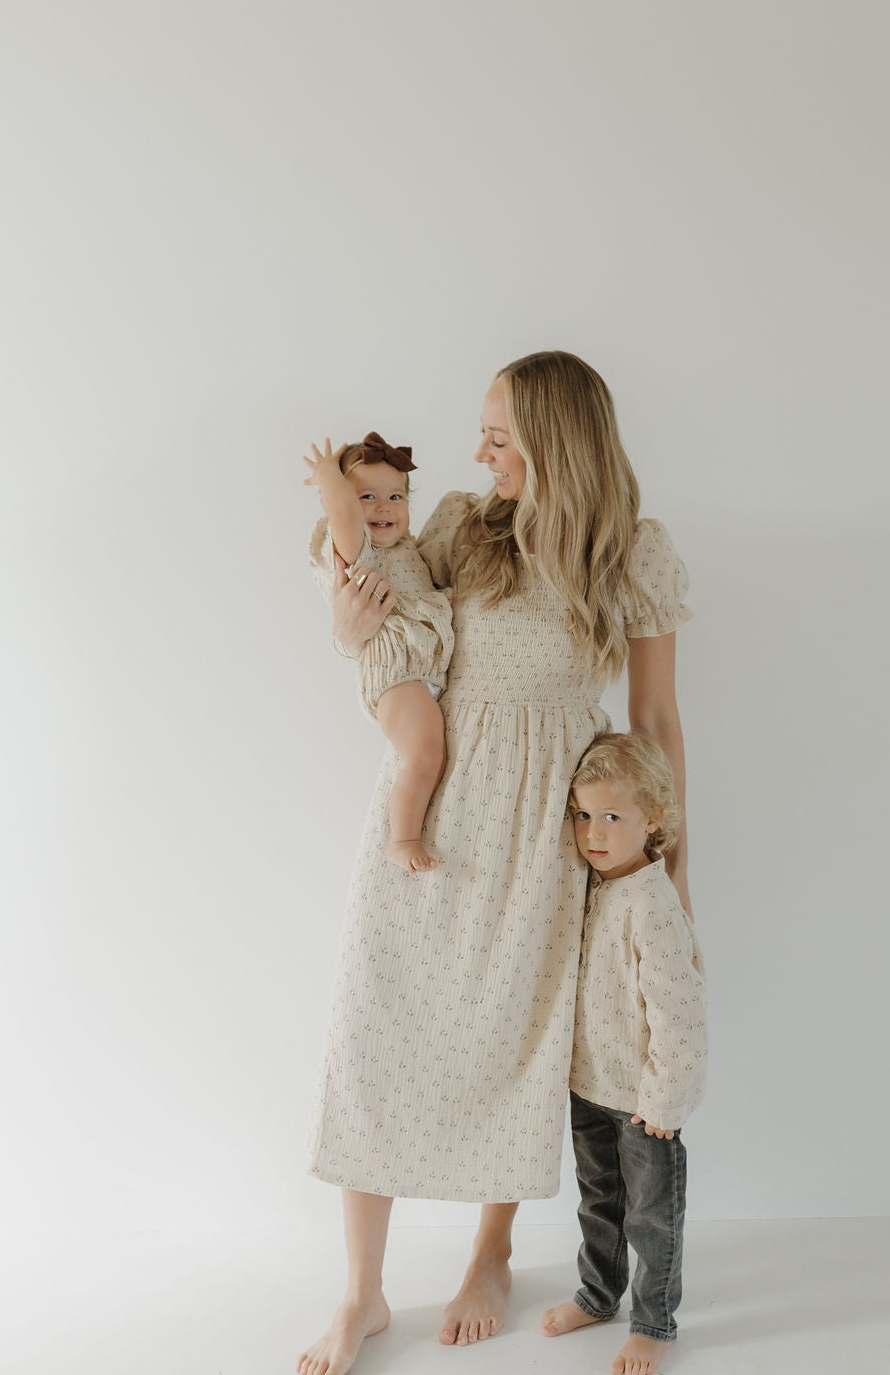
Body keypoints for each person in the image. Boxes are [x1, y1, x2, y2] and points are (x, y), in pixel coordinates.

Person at [297, 352, 694, 1375]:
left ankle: (491, 1248)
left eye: (499, 435)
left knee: (518, 1042)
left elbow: (653, 721)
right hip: (433, 814)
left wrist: (669, 875)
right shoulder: (461, 528)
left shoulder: (628, 554)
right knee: (374, 1027)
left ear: (555, 443)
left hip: (548, 835)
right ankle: (361, 1293)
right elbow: (391, 626)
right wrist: (345, 629)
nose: (478, 452)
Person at [541, 731, 707, 1375]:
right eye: (584, 816)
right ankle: (597, 1293)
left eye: (613, 817)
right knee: (598, 1201)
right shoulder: (593, 888)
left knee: (651, 1219)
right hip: (590, 1086)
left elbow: (680, 1013)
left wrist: (665, 1100)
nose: (594, 833)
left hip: (644, 1103)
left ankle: (654, 1321)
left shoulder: (653, 904)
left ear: (654, 819)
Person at [303, 431, 453, 873]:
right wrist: (330, 476)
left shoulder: (409, 550)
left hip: (421, 674)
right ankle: (402, 839)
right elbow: (343, 513)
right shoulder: (357, 551)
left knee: (433, 753)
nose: (383, 506)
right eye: (367, 496)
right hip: (396, 673)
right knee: (426, 755)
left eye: (395, 496)